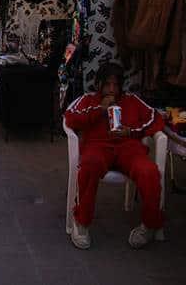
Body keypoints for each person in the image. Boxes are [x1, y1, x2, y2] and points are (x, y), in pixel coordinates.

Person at [64, 62, 165, 250]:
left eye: (116, 85)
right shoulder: (88, 100)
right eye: (107, 84)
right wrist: (99, 110)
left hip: (128, 148)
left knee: (149, 171)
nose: (112, 89)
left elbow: (155, 118)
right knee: (89, 164)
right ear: (99, 83)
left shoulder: (131, 101)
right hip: (98, 147)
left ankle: (149, 225)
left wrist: (131, 131)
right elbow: (70, 117)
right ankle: (82, 222)